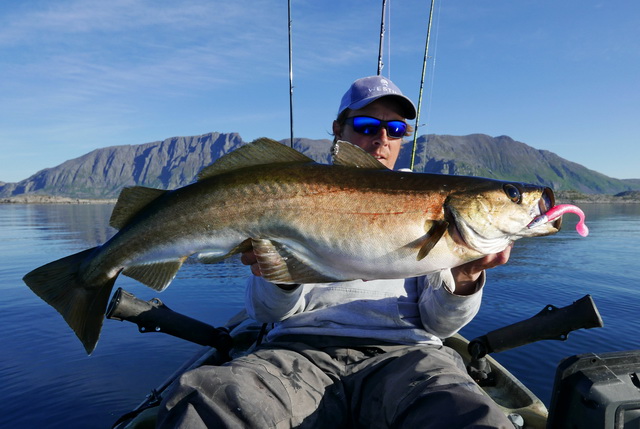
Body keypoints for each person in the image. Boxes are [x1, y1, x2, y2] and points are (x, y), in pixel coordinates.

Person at [157, 76, 514, 428]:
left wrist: (466, 275)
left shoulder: (433, 206)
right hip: (296, 353)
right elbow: (265, 311)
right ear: (338, 129)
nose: (382, 138)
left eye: (396, 129)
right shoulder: (294, 191)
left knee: (470, 418)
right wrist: (279, 276)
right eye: (365, 124)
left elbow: (441, 324)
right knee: (209, 404)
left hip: (407, 357)